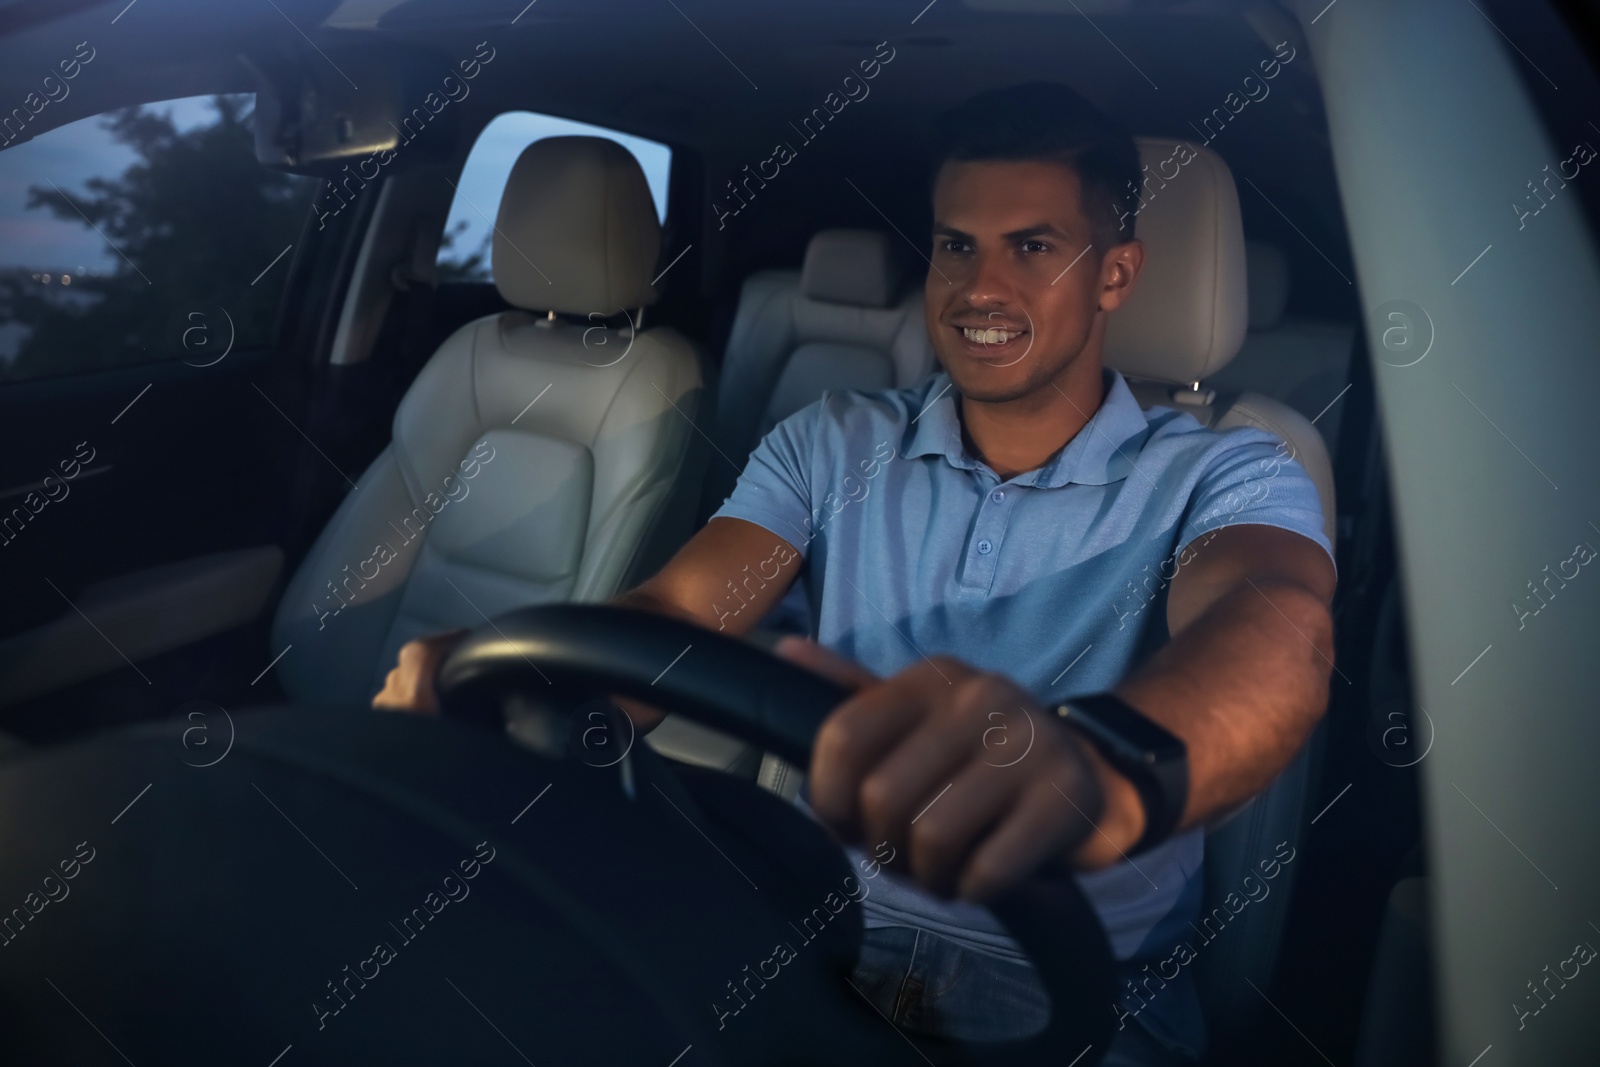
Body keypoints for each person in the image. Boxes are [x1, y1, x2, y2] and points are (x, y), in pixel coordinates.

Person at [374, 82, 1336, 1065]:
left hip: (1082, 998)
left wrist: (1106, 770)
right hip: (817, 953)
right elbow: (678, 612)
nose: (978, 287)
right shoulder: (833, 441)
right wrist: (524, 688)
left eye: (1032, 246)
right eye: (956, 243)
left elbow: (1275, 627)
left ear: (1116, 275)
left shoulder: (1229, 469)